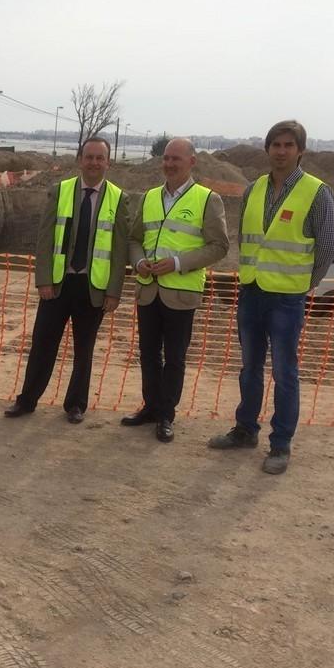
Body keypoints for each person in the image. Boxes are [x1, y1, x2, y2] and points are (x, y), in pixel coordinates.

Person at [208, 120, 334, 474]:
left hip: (287, 298)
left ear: (300, 151)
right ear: (267, 149)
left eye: (288, 145)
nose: (281, 151)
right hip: (251, 291)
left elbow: (326, 248)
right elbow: (247, 238)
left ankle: (280, 444)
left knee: (284, 373)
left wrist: (302, 284)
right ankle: (245, 429)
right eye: (275, 145)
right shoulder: (254, 190)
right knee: (250, 368)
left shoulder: (316, 192)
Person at [4, 137, 129, 423]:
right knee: (42, 345)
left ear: (108, 162)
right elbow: (45, 239)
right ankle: (27, 400)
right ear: (80, 159)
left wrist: (114, 292)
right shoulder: (59, 192)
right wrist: (44, 280)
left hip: (92, 287)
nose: (94, 163)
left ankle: (76, 405)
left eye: (100, 158)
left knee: (84, 350)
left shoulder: (119, 199)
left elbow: (120, 250)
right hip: (58, 285)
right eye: (90, 157)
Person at [122, 138, 229, 442]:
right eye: (166, 158)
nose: (169, 164)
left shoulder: (207, 200)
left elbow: (219, 246)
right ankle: (152, 407)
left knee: (175, 357)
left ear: (191, 162)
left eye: (176, 159)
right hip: (148, 290)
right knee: (148, 353)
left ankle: (167, 414)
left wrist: (179, 263)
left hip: (181, 293)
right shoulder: (149, 197)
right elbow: (134, 240)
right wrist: (139, 261)